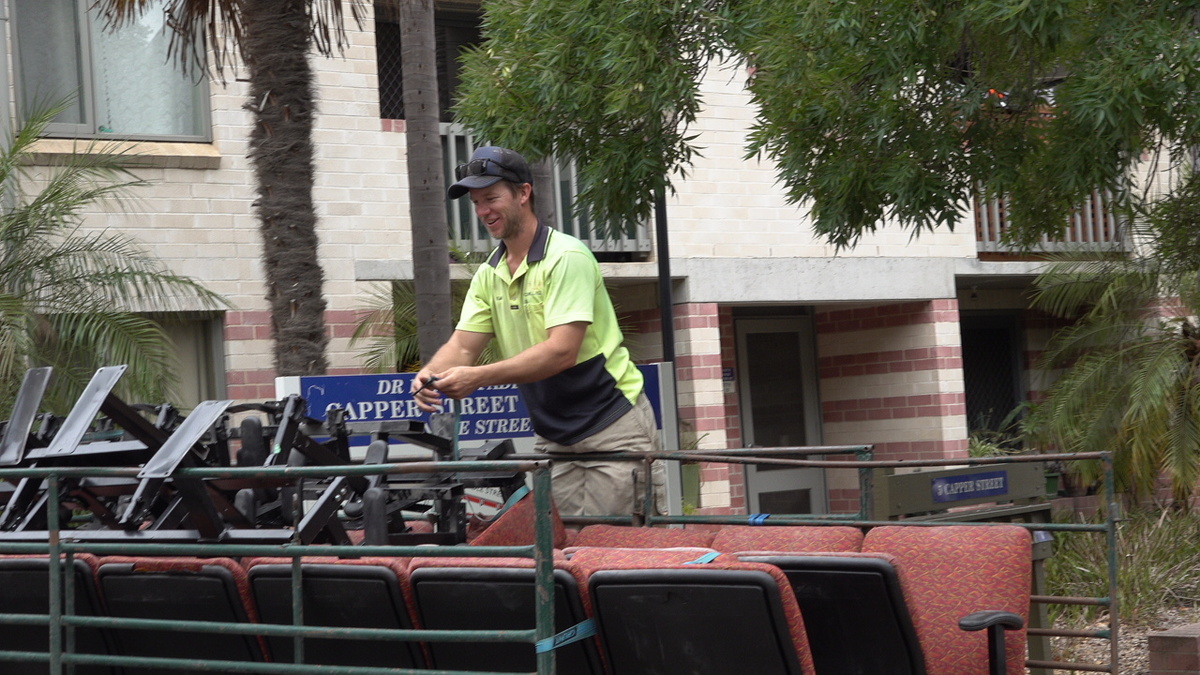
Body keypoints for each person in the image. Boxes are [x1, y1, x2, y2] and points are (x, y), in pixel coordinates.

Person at [410, 145, 660, 517]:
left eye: (491, 198)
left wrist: (477, 378)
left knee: (613, 550)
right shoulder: (489, 273)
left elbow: (561, 352)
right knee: (555, 550)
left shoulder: (566, 257)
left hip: (612, 424)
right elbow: (462, 345)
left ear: (523, 193)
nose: (483, 211)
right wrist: (430, 373)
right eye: (476, 203)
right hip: (553, 437)